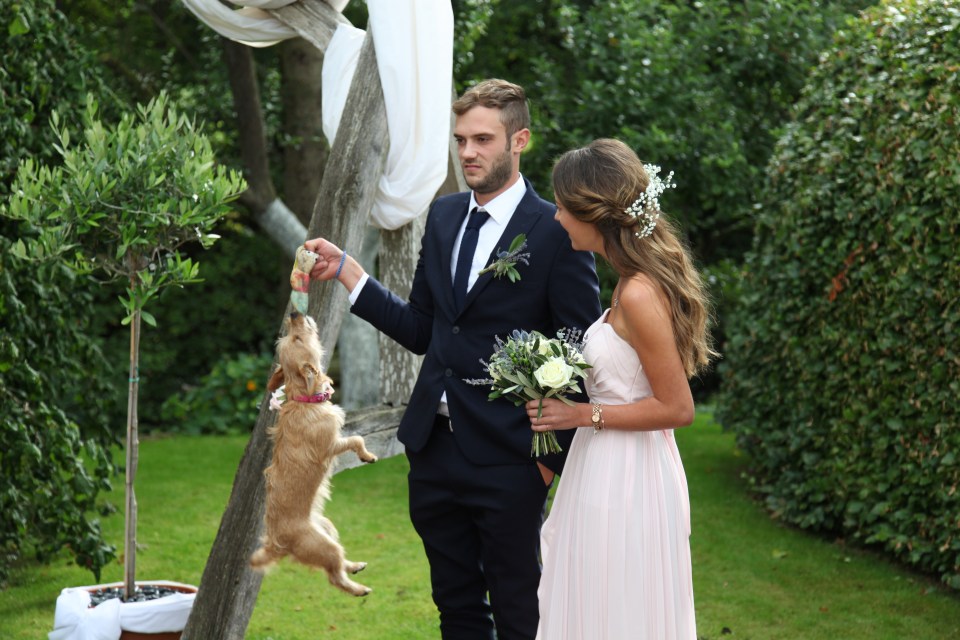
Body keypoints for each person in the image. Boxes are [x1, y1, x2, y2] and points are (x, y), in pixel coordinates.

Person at [305, 79, 601, 640]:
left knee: (520, 610)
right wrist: (349, 271)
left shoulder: (557, 231)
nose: (467, 151)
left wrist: (545, 464)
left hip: (511, 459)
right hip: (435, 452)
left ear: (520, 141)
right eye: (460, 138)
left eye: (483, 139)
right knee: (456, 608)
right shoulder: (442, 218)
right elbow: (423, 328)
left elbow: (581, 350)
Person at [527, 138, 717, 640]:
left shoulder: (638, 294)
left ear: (595, 214)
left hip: (627, 481)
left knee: (617, 610)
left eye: (564, 208)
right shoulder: (625, 281)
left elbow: (678, 407)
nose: (557, 218)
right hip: (603, 466)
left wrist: (579, 415)